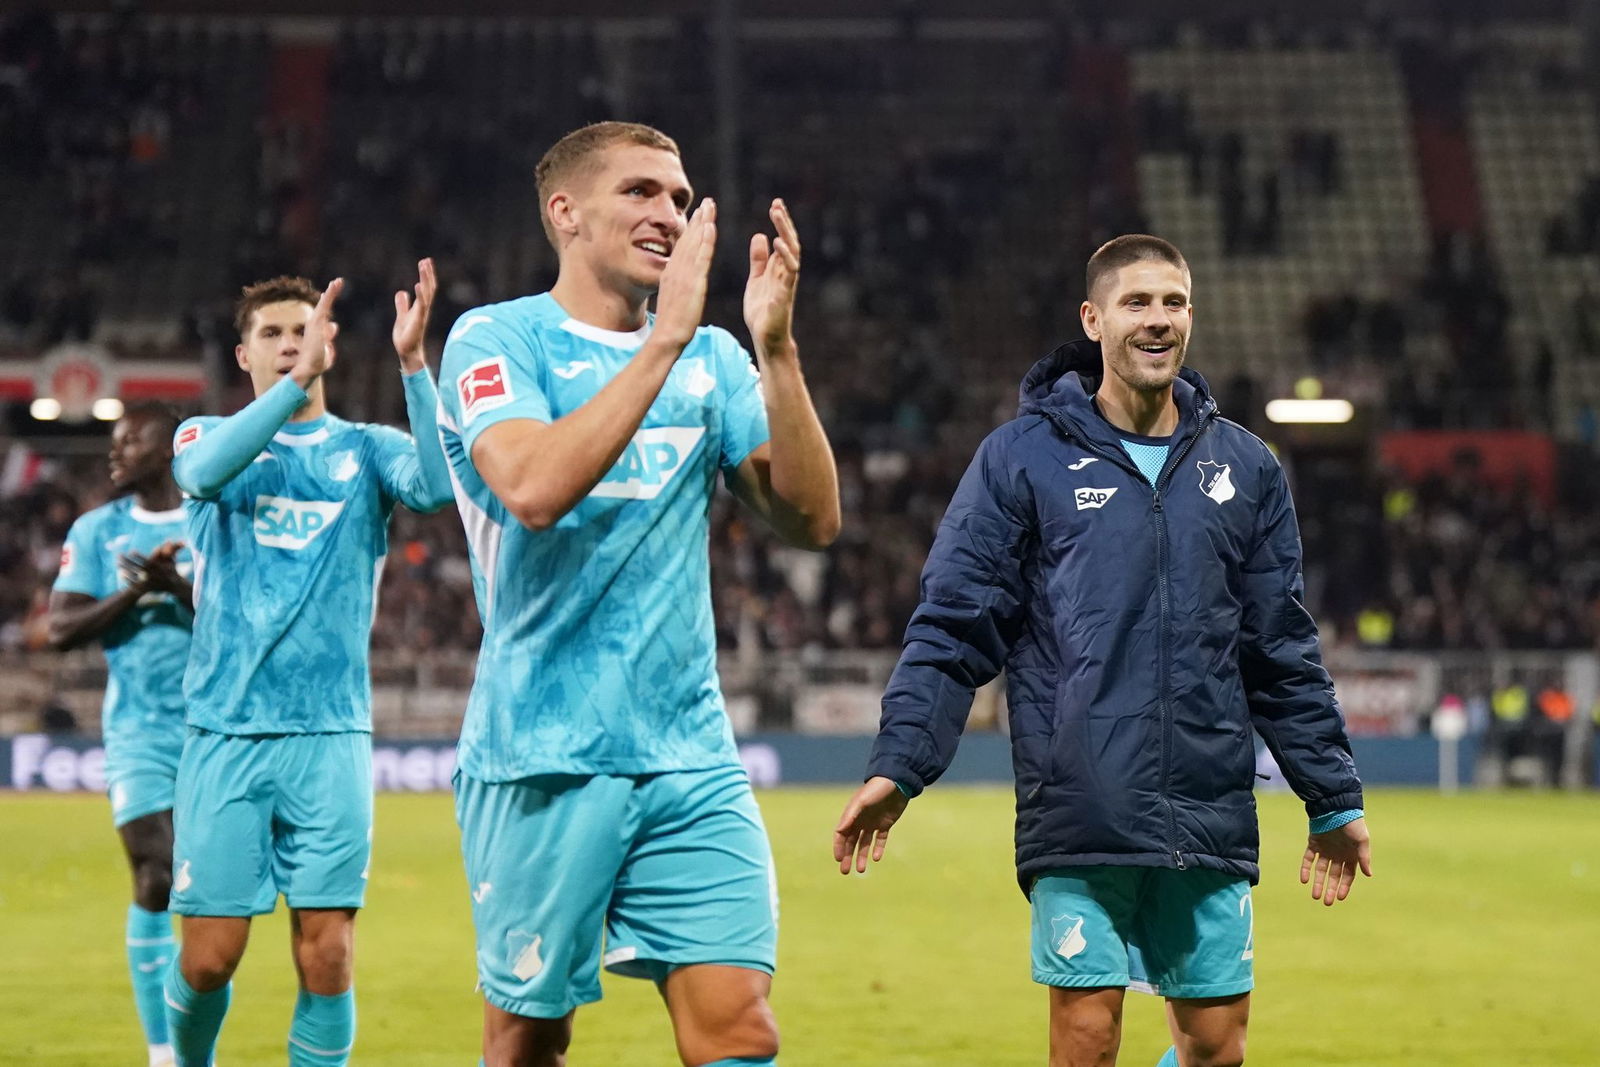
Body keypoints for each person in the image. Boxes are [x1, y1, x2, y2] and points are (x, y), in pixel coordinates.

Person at [833, 234, 1372, 1067]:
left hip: (1207, 802)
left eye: (1174, 303)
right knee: (1086, 1041)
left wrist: (1331, 795)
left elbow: (1280, 645)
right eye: (1136, 303)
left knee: (1215, 1049)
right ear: (1094, 319)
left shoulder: (1246, 467)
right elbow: (953, 625)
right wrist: (900, 765)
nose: (1158, 321)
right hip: (1081, 802)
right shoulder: (1020, 458)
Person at [438, 121, 839, 1067]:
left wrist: (775, 351)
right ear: (564, 212)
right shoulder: (495, 338)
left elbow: (811, 520)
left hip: (688, 754)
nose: (670, 212)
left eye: (679, 194)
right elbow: (532, 489)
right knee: (530, 1039)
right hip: (542, 754)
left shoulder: (713, 361)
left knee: (741, 1029)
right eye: (642, 192)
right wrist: (660, 343)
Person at [161, 262, 455, 1067]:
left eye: (304, 331)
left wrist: (414, 368)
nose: (291, 344)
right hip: (227, 732)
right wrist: (290, 394)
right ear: (243, 353)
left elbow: (435, 486)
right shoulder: (206, 439)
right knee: (209, 956)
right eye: (274, 334)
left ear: (327, 340)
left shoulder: (365, 449)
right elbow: (199, 474)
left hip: (330, 736)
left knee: (327, 953)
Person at [49, 402, 193, 1067]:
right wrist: (138, 590)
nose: (115, 451)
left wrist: (182, 591)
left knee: (211, 895)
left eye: (130, 440)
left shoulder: (211, 518)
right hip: (137, 729)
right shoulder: (97, 529)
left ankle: (194, 1039)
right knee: (154, 871)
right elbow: (60, 629)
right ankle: (162, 1052)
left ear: (167, 450)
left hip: (216, 729)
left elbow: (248, 624)